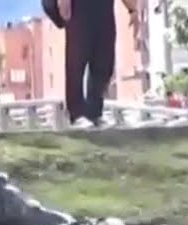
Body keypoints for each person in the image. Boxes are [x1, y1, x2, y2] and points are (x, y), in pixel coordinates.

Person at [57, 0, 139, 129]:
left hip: (104, 8)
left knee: (104, 61)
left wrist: (132, 10)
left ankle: (94, 113)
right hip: (79, 8)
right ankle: (76, 114)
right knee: (76, 61)